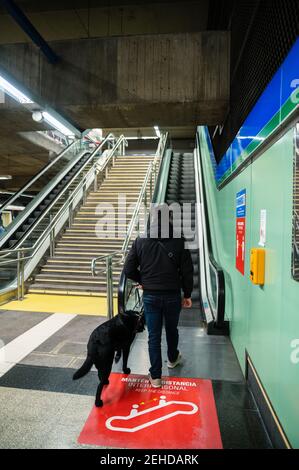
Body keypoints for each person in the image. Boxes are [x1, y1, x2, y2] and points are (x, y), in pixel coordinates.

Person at [123, 204, 194, 388]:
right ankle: (172, 358)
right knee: (172, 329)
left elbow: (129, 269)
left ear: (152, 218)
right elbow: (187, 271)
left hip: (151, 296)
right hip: (172, 295)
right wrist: (187, 294)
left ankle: (155, 376)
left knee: (153, 336)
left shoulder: (140, 240)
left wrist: (143, 280)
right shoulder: (179, 239)